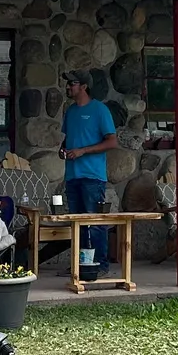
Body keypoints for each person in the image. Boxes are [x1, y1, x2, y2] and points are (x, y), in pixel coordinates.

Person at [60, 70, 118, 275]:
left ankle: (100, 265)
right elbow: (69, 139)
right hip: (72, 175)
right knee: (77, 223)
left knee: (94, 223)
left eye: (72, 83)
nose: (68, 86)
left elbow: (112, 141)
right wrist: (63, 150)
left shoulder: (100, 110)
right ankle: (81, 265)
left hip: (93, 176)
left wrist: (82, 151)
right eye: (67, 83)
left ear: (84, 86)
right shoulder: (70, 112)